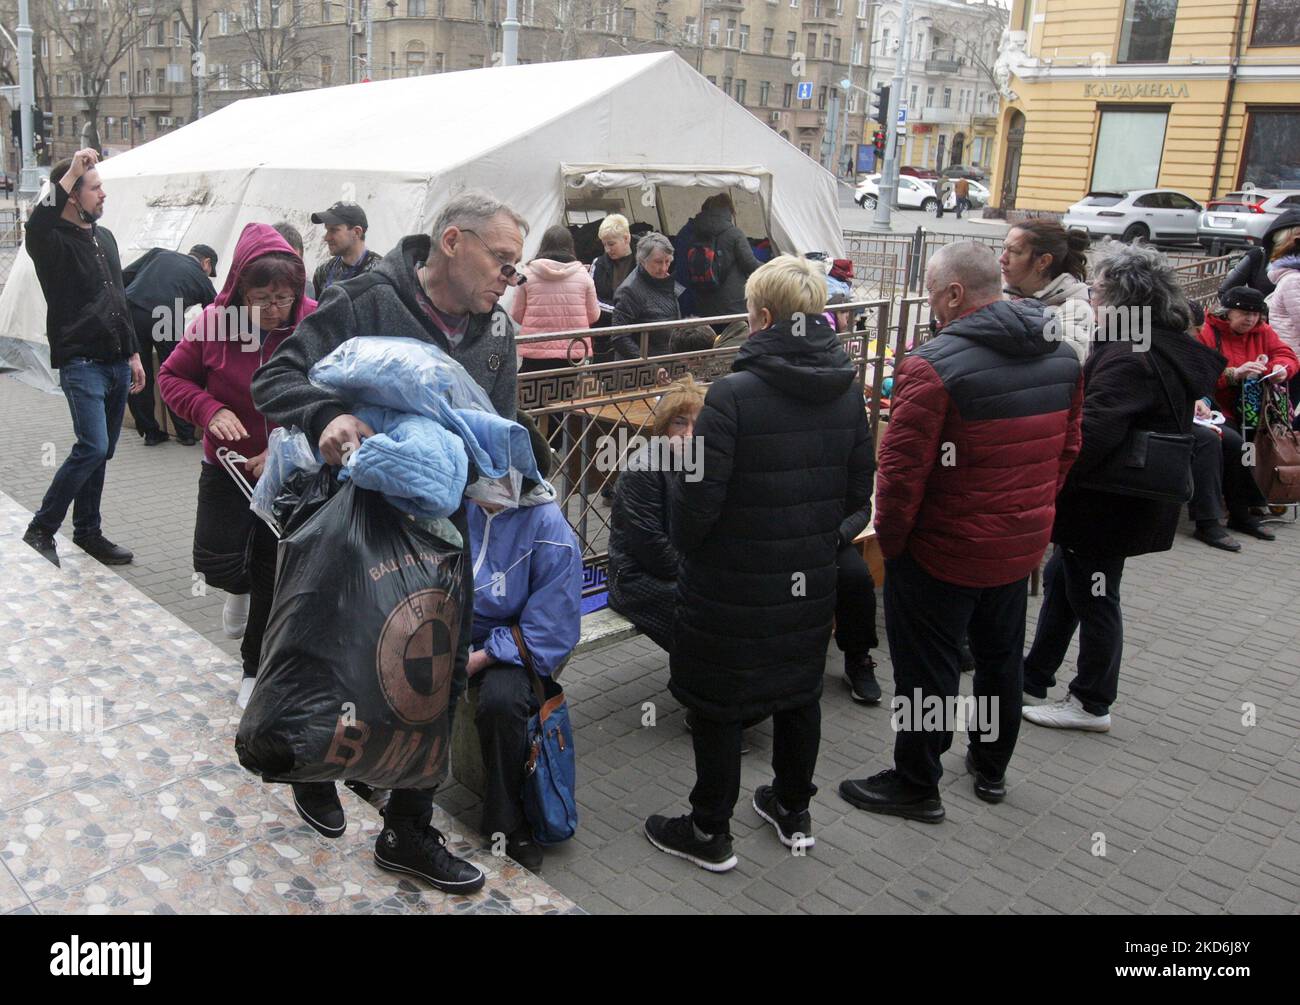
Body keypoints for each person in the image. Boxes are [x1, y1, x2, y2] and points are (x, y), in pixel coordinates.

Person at [252, 189, 527, 894]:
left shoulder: (497, 334)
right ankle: (310, 766)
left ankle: (409, 829)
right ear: (453, 242)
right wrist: (329, 416)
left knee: (432, 682)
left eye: (516, 267)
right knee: (336, 659)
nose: (508, 277)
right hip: (356, 535)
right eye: (501, 260)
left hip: (442, 544)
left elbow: (498, 424)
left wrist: (509, 478)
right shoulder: (367, 300)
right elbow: (274, 378)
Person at [643, 256, 875, 872]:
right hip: (807, 586)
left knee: (718, 702)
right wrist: (823, 544)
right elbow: (859, 498)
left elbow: (697, 502)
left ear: (764, 318)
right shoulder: (847, 392)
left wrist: (691, 551)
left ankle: (709, 828)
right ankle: (792, 809)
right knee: (799, 694)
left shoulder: (733, 395)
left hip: (729, 584)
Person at [840, 242, 1082, 822]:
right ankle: (991, 766)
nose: (929, 302)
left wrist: (892, 547)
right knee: (1001, 658)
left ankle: (916, 782)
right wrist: (1029, 515)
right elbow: (1068, 450)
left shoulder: (933, 366)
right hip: (1016, 546)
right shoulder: (1062, 354)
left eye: (930, 291)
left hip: (941, 550)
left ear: (953, 294)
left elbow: (899, 477)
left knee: (928, 670)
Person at [1021, 242, 1224, 733]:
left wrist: (1044, 477)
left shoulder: (1132, 353)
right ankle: (1033, 674)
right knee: (1065, 579)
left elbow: (1095, 432)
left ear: (1121, 297)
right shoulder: (1152, 340)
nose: (1091, 295)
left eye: (1098, 288)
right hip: (1114, 499)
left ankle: (1091, 702)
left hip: (1109, 501)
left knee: (1095, 592)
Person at [158, 225, 316, 709]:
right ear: (237, 291)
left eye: (283, 298)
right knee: (215, 562)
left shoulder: (314, 322)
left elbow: (333, 395)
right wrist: (209, 410)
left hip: (286, 475)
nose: (273, 309)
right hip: (225, 467)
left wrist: (286, 444)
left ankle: (254, 669)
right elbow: (171, 377)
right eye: (261, 298)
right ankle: (237, 586)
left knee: (273, 571)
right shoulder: (212, 325)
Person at [21, 149, 146, 568]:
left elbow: (119, 301)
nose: (103, 194)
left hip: (114, 363)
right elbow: (37, 222)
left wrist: (133, 355)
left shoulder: (103, 238)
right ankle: (41, 529)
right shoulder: (50, 241)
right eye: (94, 187)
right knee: (91, 446)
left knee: (104, 450)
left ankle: (88, 533)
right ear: (72, 195)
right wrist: (73, 168)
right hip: (82, 364)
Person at [468, 433, 581, 871]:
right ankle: (388, 784)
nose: (477, 488)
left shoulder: (551, 530)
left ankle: (507, 821)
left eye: (489, 477)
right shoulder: (466, 506)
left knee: (502, 703)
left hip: (513, 645)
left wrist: (479, 658)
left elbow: (550, 629)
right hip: (459, 625)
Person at [1189, 285, 1296, 549]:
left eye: (1255, 314)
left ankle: (1243, 511)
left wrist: (1279, 369)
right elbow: (1198, 376)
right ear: (1227, 312)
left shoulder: (1263, 331)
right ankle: (1213, 519)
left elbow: (1286, 355)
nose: (1250, 319)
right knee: (1229, 443)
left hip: (1252, 411)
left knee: (1246, 444)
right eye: (1243, 312)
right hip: (1215, 409)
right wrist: (1233, 374)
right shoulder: (1206, 332)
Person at [607, 375, 706, 652]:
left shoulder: (699, 461)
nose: (689, 434)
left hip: (679, 569)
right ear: (664, 428)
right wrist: (700, 573)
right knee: (704, 607)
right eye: (680, 422)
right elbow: (654, 551)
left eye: (697, 425)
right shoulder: (644, 470)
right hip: (634, 578)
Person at [123, 244, 218, 446]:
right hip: (165, 319)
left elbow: (124, 276)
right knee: (175, 373)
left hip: (131, 311)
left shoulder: (158, 253)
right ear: (206, 263)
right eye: (210, 272)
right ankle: (185, 434)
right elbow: (217, 313)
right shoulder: (200, 276)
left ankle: (151, 432)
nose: (208, 276)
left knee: (139, 373)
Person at [510, 224, 599, 372]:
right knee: (564, 393)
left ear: (543, 245)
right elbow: (594, 315)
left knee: (534, 393)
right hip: (572, 351)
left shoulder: (527, 274)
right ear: (571, 246)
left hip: (535, 349)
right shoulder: (583, 275)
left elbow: (516, 313)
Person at [1000, 220, 1093, 361]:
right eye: (1004, 248)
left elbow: (1062, 365)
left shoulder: (1075, 310)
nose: (1002, 258)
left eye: (1014, 251)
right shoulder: (999, 295)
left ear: (1043, 261)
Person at [686, 193, 760, 323]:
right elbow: (750, 264)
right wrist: (773, 268)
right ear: (729, 211)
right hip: (734, 306)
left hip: (705, 305)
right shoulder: (734, 233)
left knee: (716, 342)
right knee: (737, 340)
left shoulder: (694, 233)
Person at [611, 232, 681, 359]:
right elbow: (619, 336)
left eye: (667, 261)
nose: (664, 268)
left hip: (668, 358)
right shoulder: (629, 290)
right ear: (643, 261)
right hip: (642, 368)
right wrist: (650, 366)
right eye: (658, 262)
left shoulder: (667, 280)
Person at [1218, 213, 1300, 300]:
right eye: (1297, 235)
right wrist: (1252, 309)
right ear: (1282, 236)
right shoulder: (1259, 256)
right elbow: (1225, 292)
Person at [309, 201, 382, 298]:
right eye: (327, 230)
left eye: (334, 230)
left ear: (357, 232)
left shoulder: (380, 273)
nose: (326, 238)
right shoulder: (323, 272)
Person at [1264, 227, 1300, 420]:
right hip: (1292, 354)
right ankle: (1283, 448)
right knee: (1287, 412)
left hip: (1292, 354)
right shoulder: (1294, 280)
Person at [592, 213, 638, 338]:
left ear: (626, 238)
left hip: (639, 332)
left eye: (611, 244)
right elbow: (592, 299)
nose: (607, 249)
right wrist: (621, 312)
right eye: (604, 244)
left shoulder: (644, 261)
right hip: (607, 334)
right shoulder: (598, 263)